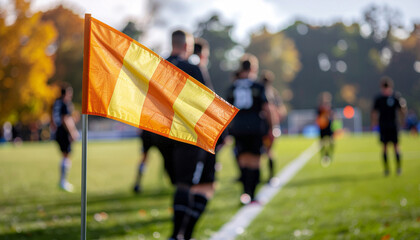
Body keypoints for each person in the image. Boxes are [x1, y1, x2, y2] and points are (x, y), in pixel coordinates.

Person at [166, 30, 216, 240]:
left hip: (162, 135)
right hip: (187, 134)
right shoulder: (192, 68)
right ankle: (178, 234)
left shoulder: (158, 66)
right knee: (191, 185)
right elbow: (208, 103)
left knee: (181, 184)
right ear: (187, 45)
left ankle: (180, 234)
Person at [227, 54, 273, 205]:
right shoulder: (258, 86)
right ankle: (251, 195)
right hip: (254, 127)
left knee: (243, 161)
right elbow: (267, 109)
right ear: (253, 68)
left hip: (238, 127)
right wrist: (271, 127)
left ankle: (245, 193)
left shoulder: (233, 86)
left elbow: (227, 110)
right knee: (255, 162)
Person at [371, 76, 406, 176]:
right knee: (384, 147)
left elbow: (402, 110)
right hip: (383, 126)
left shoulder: (396, 97)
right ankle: (386, 170)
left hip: (393, 125)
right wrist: (374, 123)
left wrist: (403, 119)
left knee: (396, 147)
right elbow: (374, 112)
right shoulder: (379, 99)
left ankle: (398, 168)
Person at [259, 70, 287, 181]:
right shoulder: (273, 93)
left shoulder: (264, 92)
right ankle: (270, 175)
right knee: (268, 151)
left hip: (263, 126)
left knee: (262, 152)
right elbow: (282, 110)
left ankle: (264, 175)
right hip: (270, 126)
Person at [51, 84, 79, 192]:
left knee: (65, 156)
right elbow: (65, 118)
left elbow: (54, 117)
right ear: (66, 93)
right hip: (63, 131)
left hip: (58, 131)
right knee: (66, 156)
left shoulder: (56, 102)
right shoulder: (64, 103)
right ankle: (63, 181)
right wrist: (72, 132)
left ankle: (63, 181)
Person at [316, 91, 334, 167]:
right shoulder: (320, 108)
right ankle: (323, 155)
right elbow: (318, 117)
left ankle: (329, 154)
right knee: (322, 142)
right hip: (322, 127)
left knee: (331, 142)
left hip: (329, 127)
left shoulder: (330, 107)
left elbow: (333, 115)